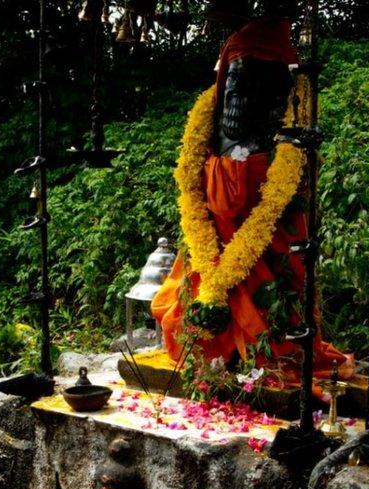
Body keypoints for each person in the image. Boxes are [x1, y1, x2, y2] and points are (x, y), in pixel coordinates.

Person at [151, 18, 354, 392]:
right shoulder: (207, 125)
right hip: (208, 248)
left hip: (264, 251)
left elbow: (286, 202)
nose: (236, 94)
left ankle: (255, 362)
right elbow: (193, 189)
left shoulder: (290, 139)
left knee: (274, 329)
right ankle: (210, 355)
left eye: (252, 83)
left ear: (276, 90)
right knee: (190, 321)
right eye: (233, 79)